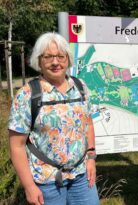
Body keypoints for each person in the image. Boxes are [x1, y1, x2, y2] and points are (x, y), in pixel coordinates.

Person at [8, 32, 100, 205]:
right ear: (39, 60)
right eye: (48, 57)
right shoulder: (28, 95)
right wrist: (29, 186)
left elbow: (87, 122)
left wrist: (91, 158)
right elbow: (17, 146)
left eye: (60, 56)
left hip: (81, 176)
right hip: (46, 181)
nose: (56, 62)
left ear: (68, 59)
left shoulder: (80, 88)